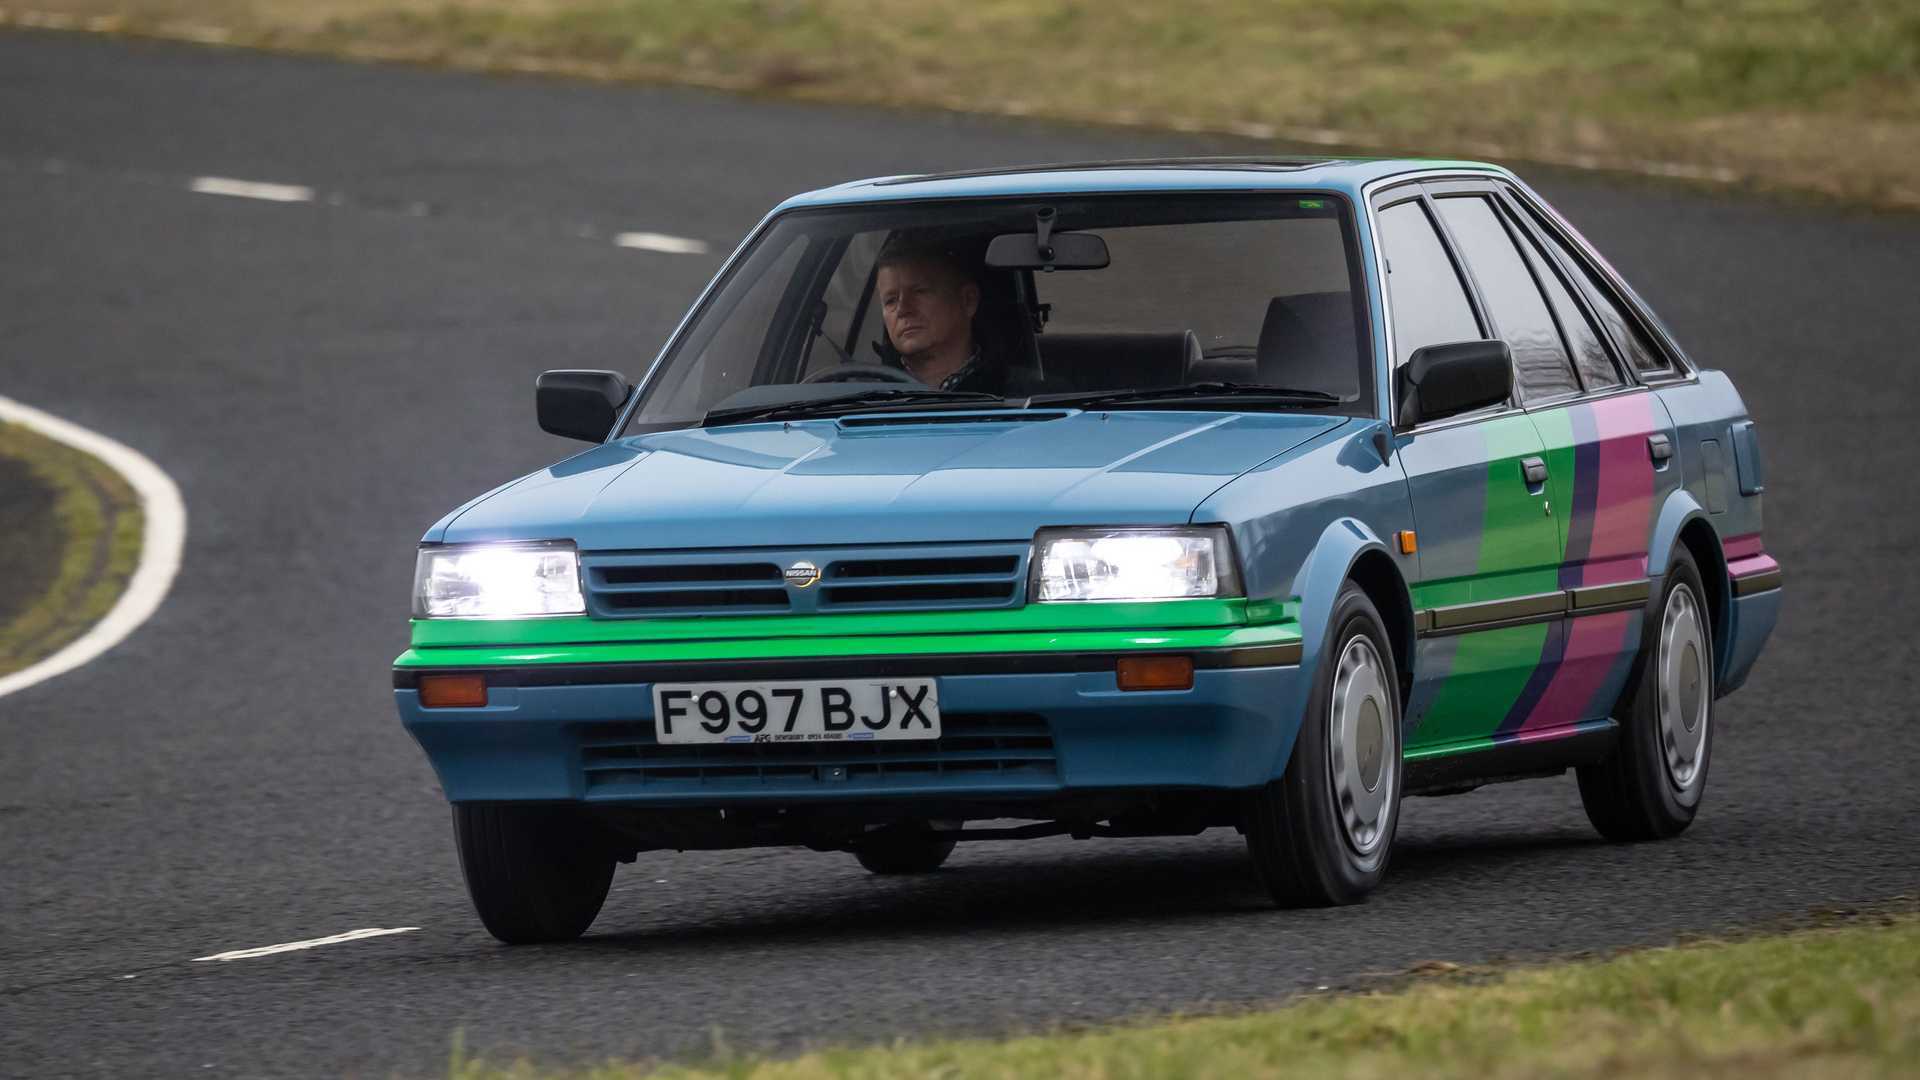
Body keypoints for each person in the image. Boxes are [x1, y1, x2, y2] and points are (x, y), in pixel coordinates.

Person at [872, 236, 1007, 395]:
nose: (902, 309)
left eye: (919, 292)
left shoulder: (1022, 397)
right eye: (890, 301)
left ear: (968, 300)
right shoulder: (862, 398)